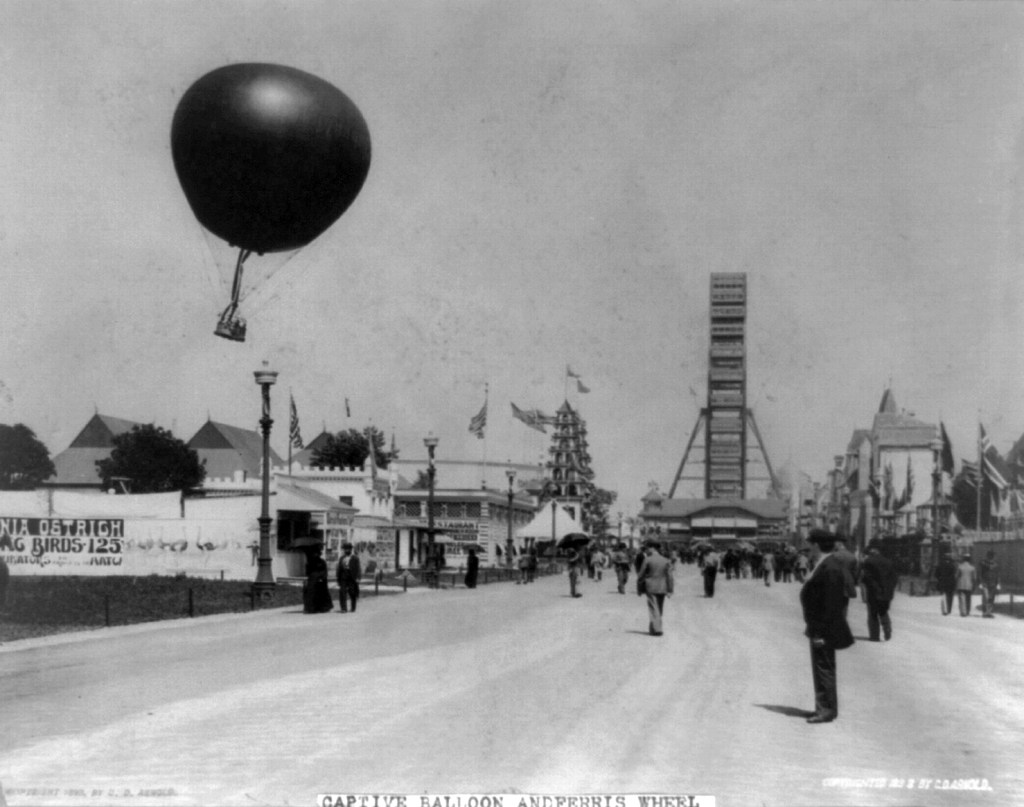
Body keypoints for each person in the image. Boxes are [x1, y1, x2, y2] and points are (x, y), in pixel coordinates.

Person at [800, 529, 855, 724]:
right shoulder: (825, 564)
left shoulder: (829, 567)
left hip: (823, 627)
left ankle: (826, 710)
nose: (809, 548)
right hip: (819, 626)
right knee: (822, 666)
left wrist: (822, 632)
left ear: (816, 545)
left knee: (823, 667)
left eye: (810, 544)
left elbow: (831, 604)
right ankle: (825, 707)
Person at [859, 540, 898, 641]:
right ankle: (887, 629)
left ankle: (874, 636)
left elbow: (865, 577)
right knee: (883, 611)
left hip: (873, 592)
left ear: (874, 550)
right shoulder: (889, 562)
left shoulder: (868, 561)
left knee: (872, 614)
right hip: (886, 593)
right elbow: (894, 578)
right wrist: (889, 589)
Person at [636, 540, 674, 636]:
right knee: (659, 608)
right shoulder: (666, 560)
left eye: (647, 548)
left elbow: (640, 576)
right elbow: (670, 576)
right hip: (662, 587)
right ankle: (653, 629)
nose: (646, 550)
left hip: (650, 587)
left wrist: (639, 589)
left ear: (652, 548)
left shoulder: (647, 559)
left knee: (653, 608)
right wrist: (670, 589)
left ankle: (657, 629)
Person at [303, 544, 333, 614]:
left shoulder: (322, 562)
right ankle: (311, 608)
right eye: (314, 553)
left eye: (317, 553)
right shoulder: (310, 562)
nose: (315, 555)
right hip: (312, 579)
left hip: (320, 580)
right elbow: (308, 572)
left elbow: (324, 571)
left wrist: (322, 577)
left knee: (321, 593)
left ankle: (323, 607)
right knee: (311, 593)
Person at [336, 542, 362, 613]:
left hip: (352, 576)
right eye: (345, 549)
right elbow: (339, 568)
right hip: (343, 576)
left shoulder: (355, 558)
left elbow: (358, 568)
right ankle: (343, 608)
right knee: (342, 592)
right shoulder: (342, 558)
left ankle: (353, 607)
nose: (347, 550)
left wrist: (358, 578)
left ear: (351, 549)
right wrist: (338, 578)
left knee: (352, 592)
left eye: (348, 549)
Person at [934, 551, 958, 616]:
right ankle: (949, 609)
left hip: (942, 582)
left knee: (943, 596)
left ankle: (944, 610)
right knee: (950, 597)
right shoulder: (952, 566)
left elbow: (936, 574)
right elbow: (954, 574)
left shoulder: (940, 565)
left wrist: (940, 579)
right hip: (951, 583)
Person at [979, 550, 1000, 619]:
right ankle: (985, 612)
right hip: (985, 582)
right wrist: (980, 582)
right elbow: (980, 573)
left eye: (992, 556)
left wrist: (998, 583)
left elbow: (997, 574)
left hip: (993, 583)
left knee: (991, 598)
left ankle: (989, 612)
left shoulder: (996, 565)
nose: (991, 557)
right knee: (986, 597)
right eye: (990, 555)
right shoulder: (983, 563)